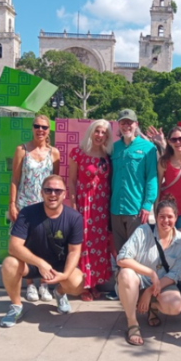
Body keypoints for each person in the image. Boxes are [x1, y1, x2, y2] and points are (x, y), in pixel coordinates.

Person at [0, 175, 85, 327]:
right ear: (42, 193)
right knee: (9, 263)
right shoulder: (27, 213)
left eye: (57, 191)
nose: (53, 194)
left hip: (58, 266)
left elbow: (74, 251)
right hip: (31, 265)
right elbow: (14, 247)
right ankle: (16, 307)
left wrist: (64, 275)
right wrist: (40, 263)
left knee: (77, 284)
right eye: (48, 190)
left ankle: (59, 293)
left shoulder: (74, 217)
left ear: (64, 193)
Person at [116, 195, 181, 346]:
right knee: (126, 274)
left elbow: (175, 274)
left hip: (159, 285)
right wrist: (151, 273)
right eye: (161, 217)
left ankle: (153, 307)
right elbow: (121, 258)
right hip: (137, 281)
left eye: (170, 217)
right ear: (156, 217)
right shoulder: (143, 231)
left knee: (175, 305)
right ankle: (132, 323)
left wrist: (149, 291)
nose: (165, 221)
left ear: (176, 217)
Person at [8, 114, 61, 303]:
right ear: (32, 128)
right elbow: (14, 179)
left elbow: (56, 182)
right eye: (37, 126)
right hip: (24, 204)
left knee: (45, 245)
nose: (40, 130)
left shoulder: (54, 153)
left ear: (48, 131)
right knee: (25, 245)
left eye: (44, 127)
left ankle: (44, 283)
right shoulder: (21, 150)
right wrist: (12, 204)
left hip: (46, 206)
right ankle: (30, 284)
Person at [67, 119, 114, 302]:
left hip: (102, 205)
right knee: (84, 243)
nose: (100, 135)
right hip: (84, 204)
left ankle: (95, 283)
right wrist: (73, 204)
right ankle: (83, 285)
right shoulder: (77, 153)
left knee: (99, 244)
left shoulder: (107, 154)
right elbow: (71, 180)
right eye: (97, 131)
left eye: (103, 132)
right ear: (91, 132)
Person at [110, 109, 158, 253]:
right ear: (119, 125)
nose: (126, 126)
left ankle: (136, 276)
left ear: (136, 124)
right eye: (123, 123)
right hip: (115, 208)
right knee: (119, 251)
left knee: (136, 251)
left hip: (136, 209)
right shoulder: (113, 148)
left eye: (129, 123)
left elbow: (151, 177)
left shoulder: (148, 148)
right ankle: (121, 275)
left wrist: (147, 204)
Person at [156, 125, 181, 299]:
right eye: (174, 139)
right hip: (167, 210)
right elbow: (157, 186)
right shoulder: (164, 161)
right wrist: (157, 210)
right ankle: (164, 279)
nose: (178, 142)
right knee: (164, 247)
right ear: (169, 142)